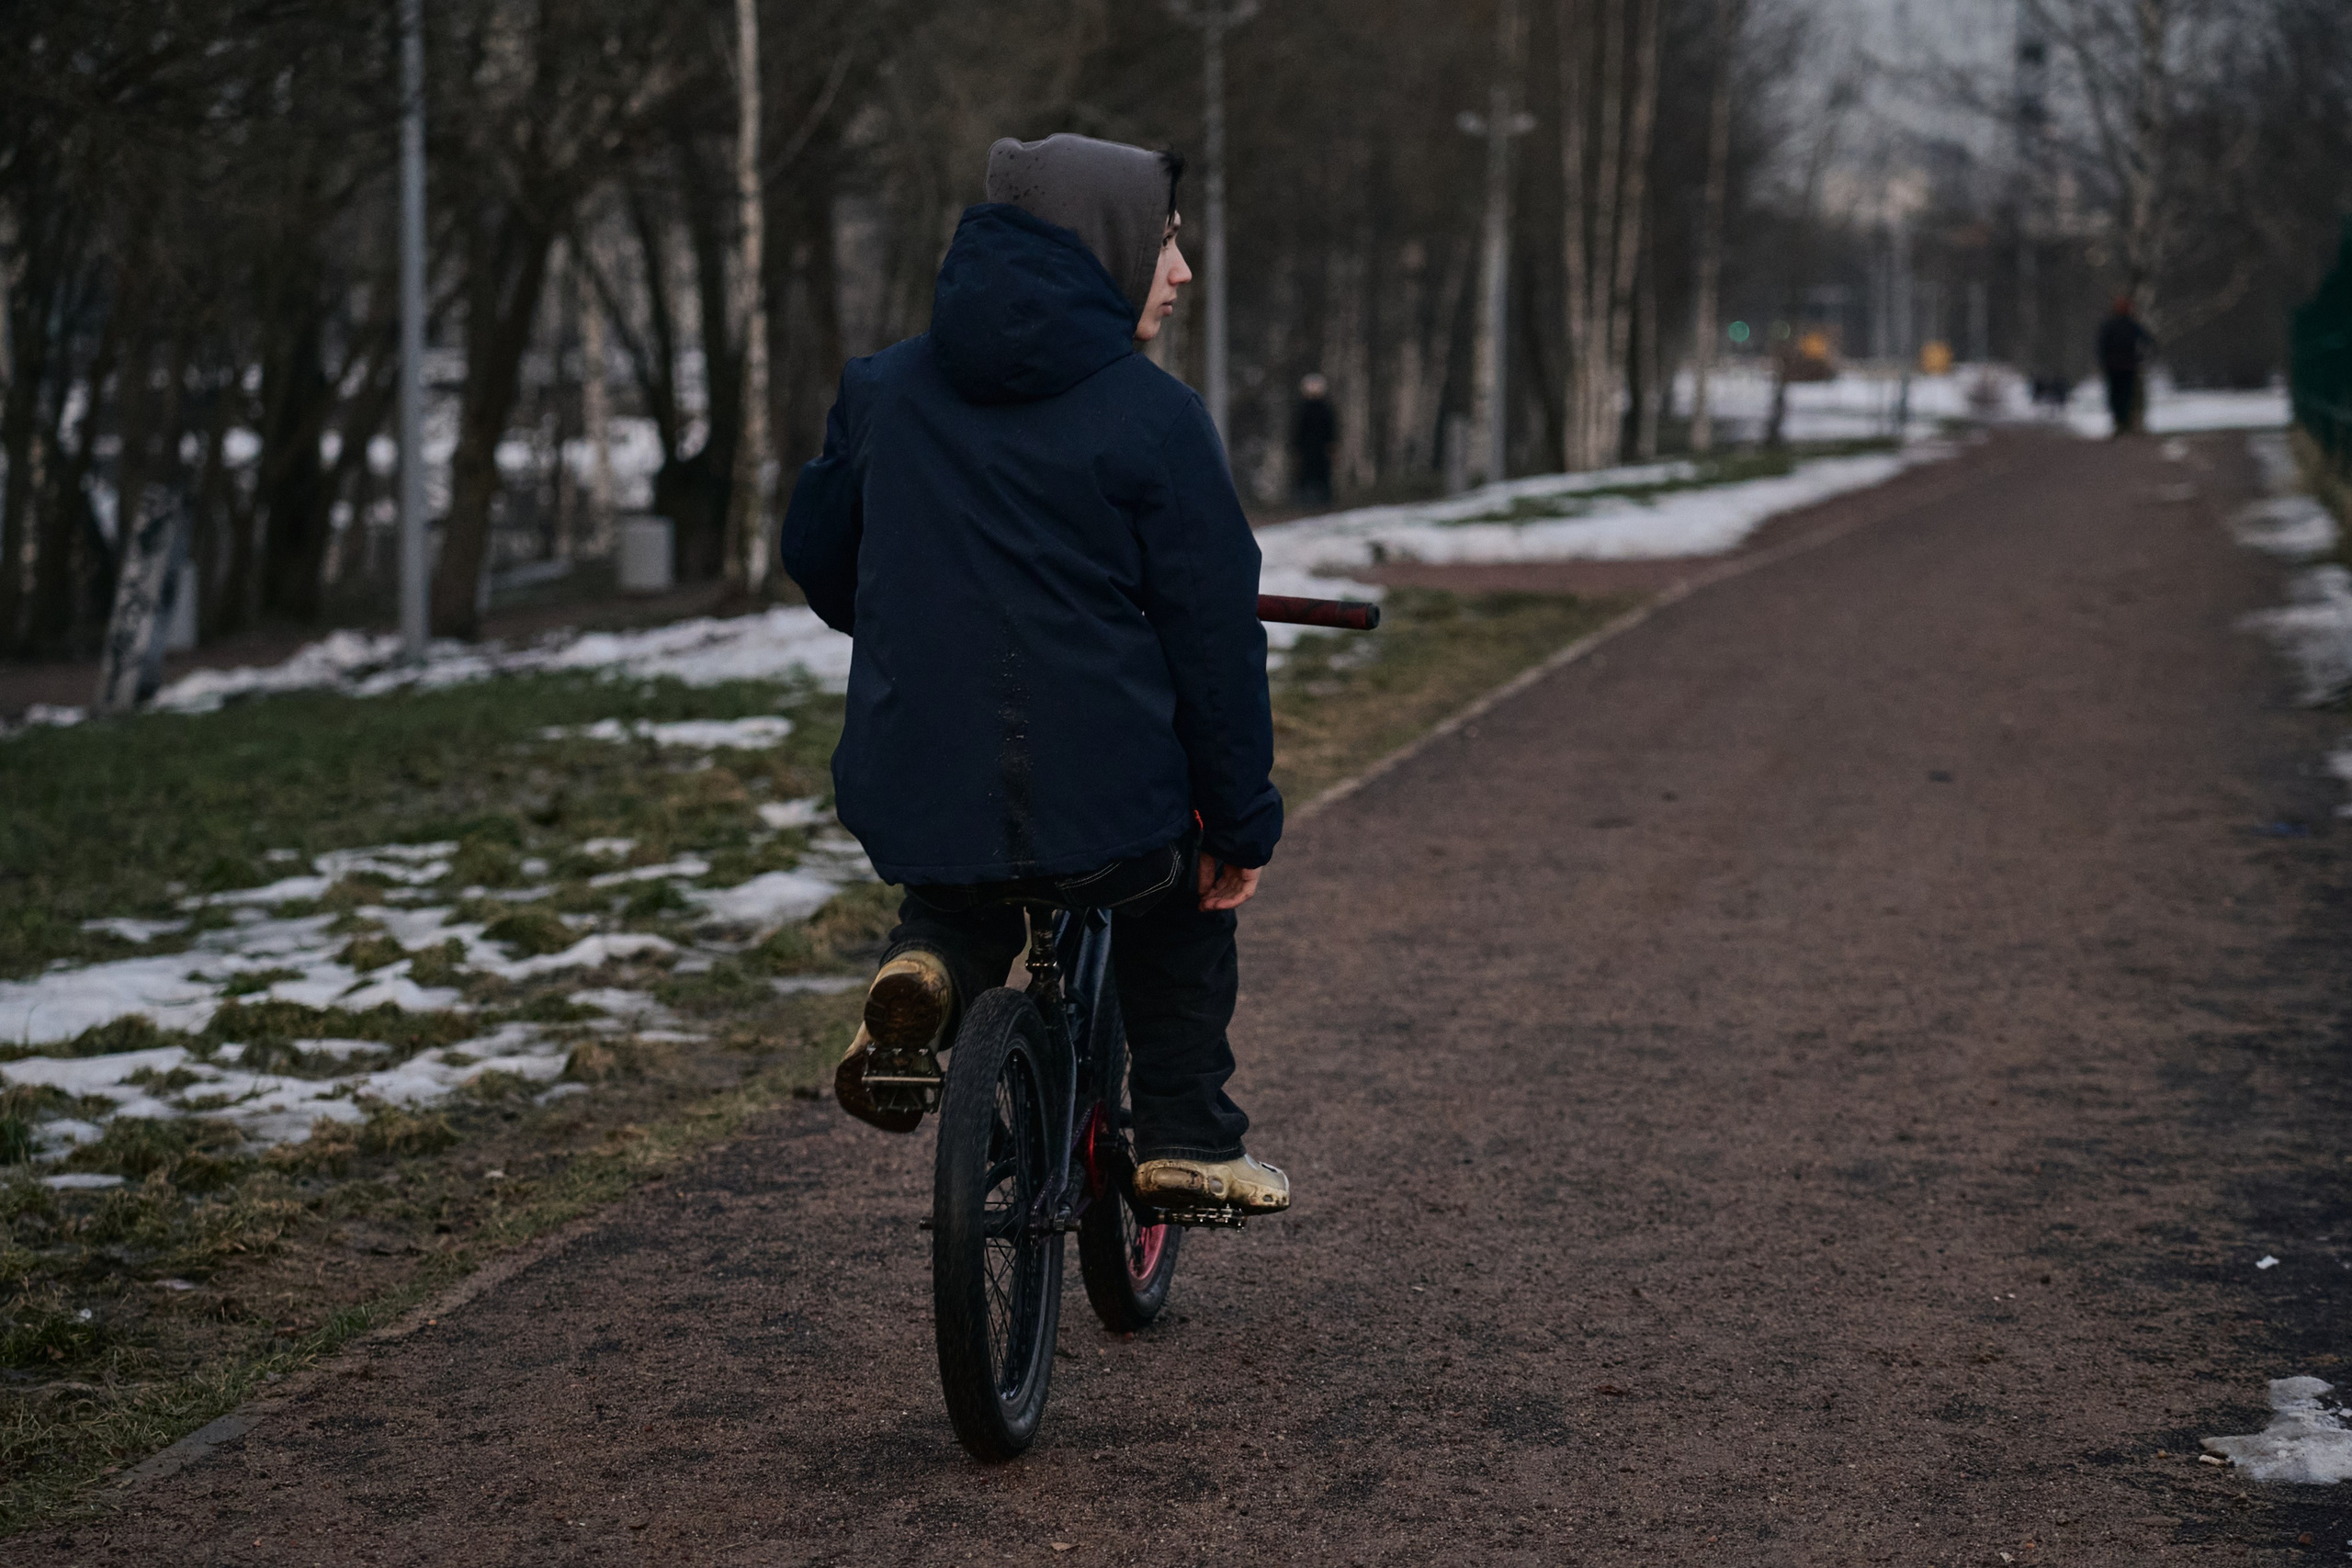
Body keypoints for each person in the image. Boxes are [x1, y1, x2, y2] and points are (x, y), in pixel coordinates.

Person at [778, 133, 1289, 1216]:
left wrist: (920, 627)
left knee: (959, 887)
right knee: (1178, 905)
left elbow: (819, 557)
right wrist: (1239, 827)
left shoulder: (882, 390)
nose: (1180, 270)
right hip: (1107, 800)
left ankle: (922, 973)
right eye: (1163, 242)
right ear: (1101, 245)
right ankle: (1188, 1138)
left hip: (917, 773)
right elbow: (1212, 646)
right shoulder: (1155, 416)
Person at [2096, 297, 2156, 438]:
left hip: (2120, 366)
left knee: (2121, 395)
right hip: (2122, 366)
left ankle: (2122, 423)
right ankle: (2122, 423)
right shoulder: (2125, 324)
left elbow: (2101, 345)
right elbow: (2147, 339)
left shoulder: (2119, 324)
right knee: (2122, 395)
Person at [1290, 373, 1336, 507]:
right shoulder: (1304, 409)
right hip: (1308, 448)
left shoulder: (1324, 409)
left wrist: (1331, 445)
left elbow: (1330, 429)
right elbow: (1299, 429)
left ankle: (1323, 501)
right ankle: (1306, 501)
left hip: (1320, 448)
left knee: (1321, 474)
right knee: (1306, 475)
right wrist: (1297, 447)